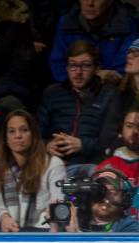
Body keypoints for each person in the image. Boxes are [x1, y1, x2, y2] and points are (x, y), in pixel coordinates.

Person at [38, 40, 120, 173]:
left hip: (90, 163)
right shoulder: (52, 93)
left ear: (96, 68)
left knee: (97, 171)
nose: (78, 72)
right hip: (52, 163)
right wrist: (47, 145)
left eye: (86, 66)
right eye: (73, 65)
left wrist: (82, 145)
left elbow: (111, 141)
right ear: (66, 67)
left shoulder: (109, 94)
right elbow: (36, 133)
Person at [0, 109, 66, 231]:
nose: (18, 136)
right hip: (11, 232)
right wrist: (4, 217)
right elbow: (1, 209)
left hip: (44, 232)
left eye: (24, 130)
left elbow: (57, 209)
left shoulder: (53, 164)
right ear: (5, 138)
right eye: (12, 131)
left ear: (33, 135)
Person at [49, 0, 139, 85]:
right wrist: (90, 79)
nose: (90, 3)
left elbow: (125, 66)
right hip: (74, 89)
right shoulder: (67, 23)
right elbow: (58, 64)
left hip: (114, 89)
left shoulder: (129, 24)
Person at [50, 166, 139, 232]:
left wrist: (75, 238)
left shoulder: (130, 226)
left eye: (113, 192)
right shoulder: (74, 221)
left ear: (124, 197)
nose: (105, 197)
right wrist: (54, 229)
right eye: (99, 191)